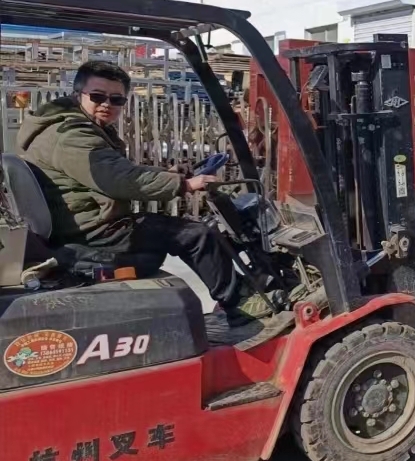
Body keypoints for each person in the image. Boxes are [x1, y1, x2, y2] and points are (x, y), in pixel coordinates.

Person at [16, 61, 270, 325]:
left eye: (116, 99)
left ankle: (234, 293)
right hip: (93, 234)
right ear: (78, 93)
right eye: (98, 96)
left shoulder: (70, 126)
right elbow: (117, 179)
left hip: (81, 223)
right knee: (196, 235)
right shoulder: (72, 135)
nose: (107, 104)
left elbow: (116, 169)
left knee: (180, 231)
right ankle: (241, 304)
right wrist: (184, 185)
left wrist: (170, 173)